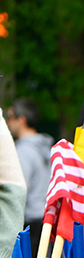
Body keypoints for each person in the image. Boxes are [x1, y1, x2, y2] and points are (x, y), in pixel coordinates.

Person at [6, 97, 52, 231]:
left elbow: (17, 191)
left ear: (21, 120)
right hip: (49, 220)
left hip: (30, 225)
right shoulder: (47, 148)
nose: (8, 123)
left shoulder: (22, 151)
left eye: (10, 117)